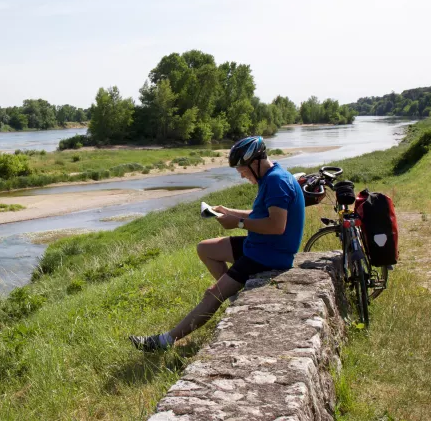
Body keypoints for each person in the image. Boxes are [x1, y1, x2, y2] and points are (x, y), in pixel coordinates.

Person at [129, 136, 306, 352]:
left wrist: (239, 223)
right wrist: (229, 212)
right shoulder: (271, 176)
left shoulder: (276, 182)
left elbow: (277, 226)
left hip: (268, 255)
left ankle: (163, 342)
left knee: (212, 293)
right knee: (206, 248)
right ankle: (234, 298)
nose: (241, 175)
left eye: (242, 170)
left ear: (255, 162)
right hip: (260, 245)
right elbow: (262, 214)